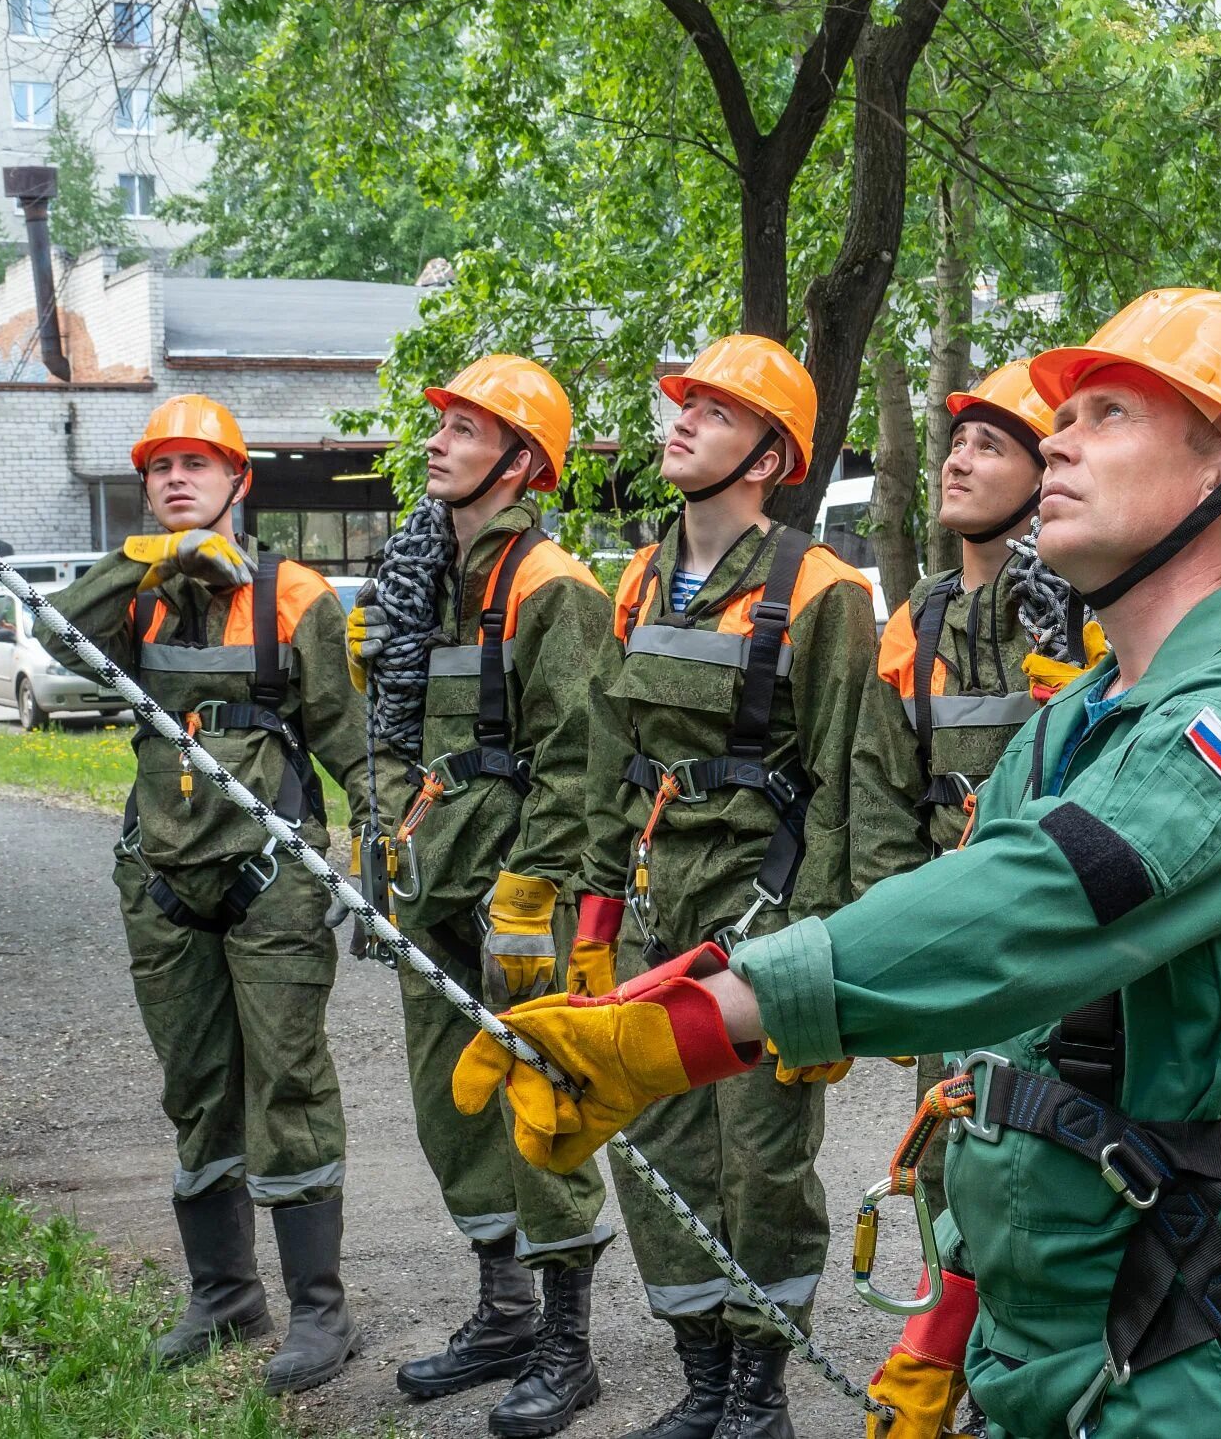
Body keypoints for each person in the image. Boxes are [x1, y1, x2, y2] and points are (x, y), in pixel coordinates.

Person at [455, 289, 1221, 1439]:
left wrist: (690, 1029)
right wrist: (937, 1341)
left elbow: (1037, 905)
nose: (1053, 438)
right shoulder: (1075, 726)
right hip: (1042, 1347)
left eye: (1107, 415)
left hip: (1187, 1352)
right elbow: (1010, 1057)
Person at [571, 334, 880, 1439]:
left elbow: (855, 783)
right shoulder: (642, 577)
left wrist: (838, 967)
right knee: (657, 1142)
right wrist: (595, 916)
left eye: (713, 408)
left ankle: (761, 1387)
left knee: (762, 1162)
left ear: (768, 454)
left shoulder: (822, 591)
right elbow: (613, 760)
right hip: (660, 908)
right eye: (681, 403)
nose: (681, 420)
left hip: (769, 914)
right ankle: (700, 1378)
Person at [44, 395, 382, 1392]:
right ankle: (225, 1297)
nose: (177, 478)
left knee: (286, 1085)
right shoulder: (137, 597)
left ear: (240, 481)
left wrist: (376, 852)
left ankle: (322, 1312)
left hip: (268, 882)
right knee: (196, 1089)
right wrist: (145, 558)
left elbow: (349, 744)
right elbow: (62, 646)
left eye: (198, 464)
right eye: (160, 468)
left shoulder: (293, 595)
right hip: (159, 880)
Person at [349, 354, 614, 1437]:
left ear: (520, 463)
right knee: (448, 1105)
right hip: (433, 884)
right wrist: (380, 844)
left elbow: (581, 765)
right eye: (440, 425)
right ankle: (501, 1312)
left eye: (464, 429)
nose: (437, 442)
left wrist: (528, 892)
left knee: (541, 1113)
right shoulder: (422, 590)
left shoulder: (555, 589)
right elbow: (392, 743)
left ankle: (567, 1345)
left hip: (519, 897)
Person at [851, 358, 1091, 1222]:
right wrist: (884, 947)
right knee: (951, 1163)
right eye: (955, 443)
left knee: (1046, 1173)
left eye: (989, 447)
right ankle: (948, 1353)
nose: (957, 461)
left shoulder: (1090, 609)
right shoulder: (920, 614)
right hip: (950, 941)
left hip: (1059, 951)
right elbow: (880, 787)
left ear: (1042, 477)